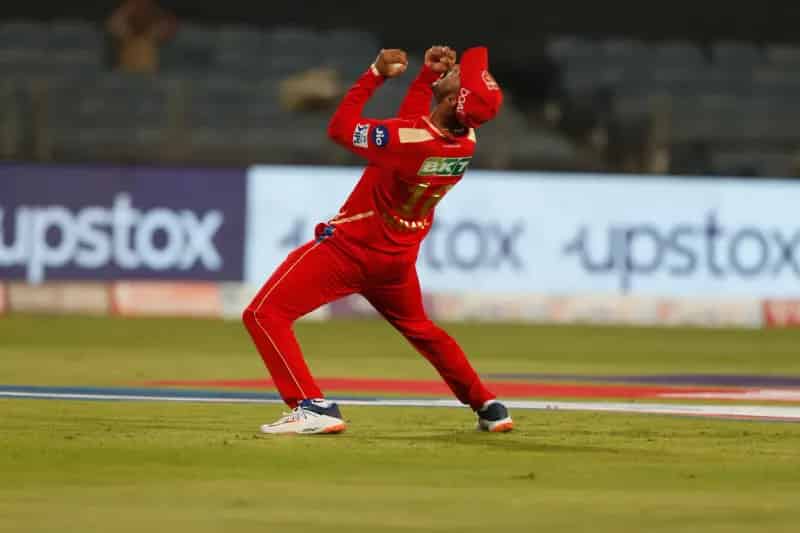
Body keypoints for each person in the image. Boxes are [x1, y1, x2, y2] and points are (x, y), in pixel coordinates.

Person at [242, 45, 512, 435]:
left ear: (455, 100)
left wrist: (375, 74)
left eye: (458, 77)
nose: (454, 70)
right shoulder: (464, 139)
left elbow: (340, 128)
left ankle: (312, 406)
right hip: (396, 260)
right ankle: (488, 405)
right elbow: (412, 126)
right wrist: (424, 78)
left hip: (351, 250)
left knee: (264, 315)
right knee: (422, 330)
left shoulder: (411, 141)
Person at [106, 0, 177, 74]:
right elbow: (112, 25)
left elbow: (170, 27)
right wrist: (128, 8)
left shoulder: (154, 32)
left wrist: (153, 10)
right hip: (125, 74)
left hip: (149, 74)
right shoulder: (124, 32)